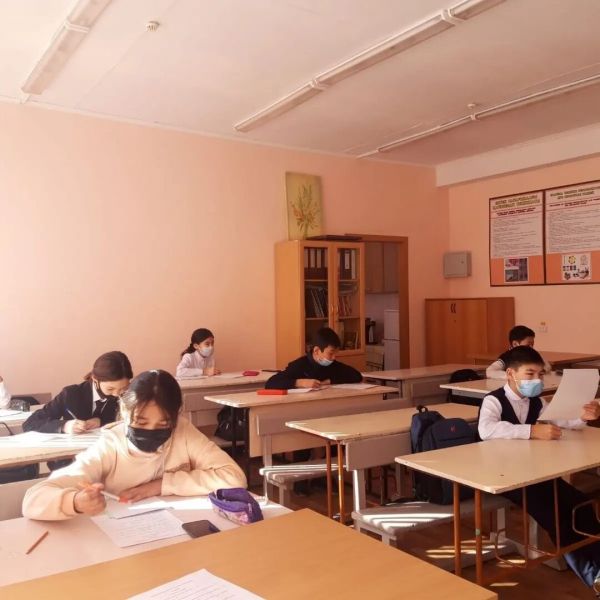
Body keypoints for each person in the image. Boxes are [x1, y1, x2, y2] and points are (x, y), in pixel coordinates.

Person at [22, 369, 246, 520]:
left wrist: (160, 485)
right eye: (141, 422)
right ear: (124, 411)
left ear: (176, 417)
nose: (151, 431)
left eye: (163, 424)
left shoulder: (182, 431)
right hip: (120, 536)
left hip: (175, 529)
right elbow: (33, 500)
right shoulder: (111, 445)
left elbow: (234, 477)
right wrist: (75, 502)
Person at [478, 345, 600, 591]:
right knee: (557, 518)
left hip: (537, 473)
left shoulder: (537, 401)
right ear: (510, 374)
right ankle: (594, 577)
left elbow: (561, 420)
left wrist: (583, 417)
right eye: (530, 374)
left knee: (581, 505)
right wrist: (532, 430)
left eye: (540, 374)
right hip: (508, 477)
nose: (537, 380)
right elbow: (486, 430)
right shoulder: (493, 400)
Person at [23, 351, 132, 434]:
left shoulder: (128, 395)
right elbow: (31, 423)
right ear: (95, 379)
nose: (117, 394)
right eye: (110, 389)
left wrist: (102, 421)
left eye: (123, 388)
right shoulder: (71, 394)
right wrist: (64, 426)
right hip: (72, 454)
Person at [266, 327, 362, 389]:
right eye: (331, 353)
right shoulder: (299, 365)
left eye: (335, 353)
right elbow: (271, 383)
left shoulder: (332, 364)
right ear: (316, 351)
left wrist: (330, 381)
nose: (334, 357)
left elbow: (357, 376)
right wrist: (300, 382)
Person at [486, 325, 552, 379]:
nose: (531, 348)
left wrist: (540, 372)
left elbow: (547, 366)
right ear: (515, 344)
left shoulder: (533, 353)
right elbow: (490, 371)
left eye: (532, 344)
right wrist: (516, 376)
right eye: (528, 345)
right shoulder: (507, 357)